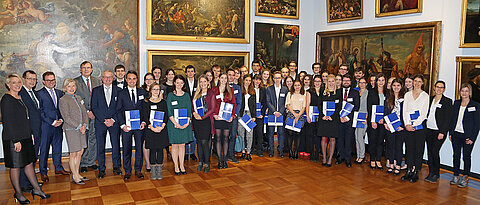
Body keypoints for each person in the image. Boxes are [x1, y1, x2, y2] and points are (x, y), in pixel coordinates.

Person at [2, 74, 51, 204]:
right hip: (14, 139)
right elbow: (8, 122)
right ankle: (18, 193)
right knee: (16, 167)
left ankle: (36, 189)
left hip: (26, 136)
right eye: (14, 83)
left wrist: (30, 134)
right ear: (8, 85)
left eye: (18, 82)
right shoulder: (6, 99)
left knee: (29, 164)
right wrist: (16, 140)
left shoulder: (19, 97)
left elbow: (26, 119)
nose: (17, 85)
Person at [37, 71, 69, 182]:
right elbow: (40, 112)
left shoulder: (60, 93)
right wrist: (52, 122)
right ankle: (43, 172)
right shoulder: (39, 94)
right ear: (44, 82)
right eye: (49, 80)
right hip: (46, 126)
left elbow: (62, 108)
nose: (51, 82)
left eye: (53, 80)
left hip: (58, 126)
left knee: (57, 148)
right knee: (44, 150)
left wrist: (61, 119)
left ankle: (58, 168)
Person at [91, 70, 123, 178]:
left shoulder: (119, 91)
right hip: (100, 123)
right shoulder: (96, 91)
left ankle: (116, 167)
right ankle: (101, 168)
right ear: (102, 79)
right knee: (100, 146)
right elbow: (94, 107)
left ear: (112, 78)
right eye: (105, 77)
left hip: (114, 123)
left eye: (110, 77)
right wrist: (104, 119)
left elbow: (120, 108)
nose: (108, 79)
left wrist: (113, 120)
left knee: (116, 145)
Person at [449, 83, 480, 188]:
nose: (464, 93)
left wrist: (472, 138)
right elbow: (452, 119)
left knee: (466, 157)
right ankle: (456, 175)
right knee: (456, 155)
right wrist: (451, 132)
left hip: (467, 136)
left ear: (469, 92)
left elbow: (477, 124)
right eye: (462, 91)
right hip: (456, 134)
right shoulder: (456, 103)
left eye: (466, 91)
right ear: (460, 92)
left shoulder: (475, 105)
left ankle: (465, 177)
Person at [117, 70, 147, 180]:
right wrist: (122, 125)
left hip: (139, 126)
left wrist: (144, 122)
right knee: (126, 149)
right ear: (126, 80)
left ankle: (138, 170)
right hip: (127, 127)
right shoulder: (121, 94)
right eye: (129, 79)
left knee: (139, 148)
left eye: (134, 79)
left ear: (137, 80)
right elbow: (118, 111)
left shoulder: (142, 92)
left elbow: (145, 109)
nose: (132, 81)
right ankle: (128, 171)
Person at [58, 79, 89, 185]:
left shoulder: (78, 97)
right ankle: (75, 176)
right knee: (73, 153)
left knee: (80, 152)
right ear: (65, 88)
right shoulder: (63, 99)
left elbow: (84, 113)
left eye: (73, 86)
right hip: (71, 130)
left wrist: (85, 125)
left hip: (82, 129)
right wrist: (79, 126)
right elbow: (66, 117)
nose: (72, 88)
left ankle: (78, 173)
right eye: (69, 86)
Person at [74, 61, 101, 173]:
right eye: (83, 68)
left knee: (93, 138)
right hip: (83, 115)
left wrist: (95, 111)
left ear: (91, 69)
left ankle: (91, 161)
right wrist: (87, 111)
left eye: (88, 68)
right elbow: (75, 99)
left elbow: (99, 97)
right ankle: (83, 162)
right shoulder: (76, 81)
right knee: (83, 139)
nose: (86, 70)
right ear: (80, 70)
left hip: (95, 115)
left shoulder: (96, 81)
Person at [401, 74, 429, 183]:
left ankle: (416, 171)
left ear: (422, 83)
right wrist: (407, 124)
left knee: (418, 149)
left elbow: (423, 113)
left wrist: (414, 124)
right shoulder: (407, 95)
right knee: (409, 148)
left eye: (419, 82)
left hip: (419, 127)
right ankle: (409, 170)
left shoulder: (425, 96)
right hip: (408, 127)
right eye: (415, 81)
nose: (416, 83)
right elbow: (405, 110)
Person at [18, 70, 42, 193]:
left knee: (33, 158)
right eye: (29, 79)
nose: (32, 81)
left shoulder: (35, 93)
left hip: (38, 131)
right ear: (24, 79)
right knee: (26, 159)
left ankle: (31, 181)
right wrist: (30, 132)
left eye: (34, 79)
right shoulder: (20, 94)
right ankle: (24, 184)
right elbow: (22, 116)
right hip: (28, 133)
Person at [425, 81, 452, 183]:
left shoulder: (447, 101)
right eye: (437, 87)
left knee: (435, 151)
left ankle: (436, 173)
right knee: (429, 151)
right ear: (434, 88)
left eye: (441, 87)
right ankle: (431, 172)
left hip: (439, 132)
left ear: (444, 89)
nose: (439, 89)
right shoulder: (429, 99)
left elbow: (447, 119)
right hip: (428, 130)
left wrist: (443, 132)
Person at [166, 75, 194, 175]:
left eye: (181, 83)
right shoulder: (170, 95)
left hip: (185, 125)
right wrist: (176, 123)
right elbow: (169, 111)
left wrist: (187, 122)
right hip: (173, 125)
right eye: (177, 82)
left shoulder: (186, 95)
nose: (179, 85)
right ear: (174, 83)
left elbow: (189, 110)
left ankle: (182, 165)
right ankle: (176, 166)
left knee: (182, 145)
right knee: (174, 145)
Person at [142, 83, 169, 180]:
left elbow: (166, 116)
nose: (156, 91)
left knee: (160, 150)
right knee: (152, 150)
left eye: (158, 89)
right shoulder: (146, 102)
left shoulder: (163, 102)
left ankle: (159, 170)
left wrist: (161, 126)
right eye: (154, 89)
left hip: (161, 130)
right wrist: (152, 127)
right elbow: (145, 116)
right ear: (150, 90)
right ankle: (153, 171)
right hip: (150, 130)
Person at [191, 75, 216, 173]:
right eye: (201, 82)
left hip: (206, 121)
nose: (203, 84)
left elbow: (212, 108)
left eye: (204, 81)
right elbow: (192, 107)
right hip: (196, 121)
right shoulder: (196, 93)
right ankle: (200, 161)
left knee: (205, 143)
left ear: (208, 82)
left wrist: (203, 116)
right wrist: (194, 113)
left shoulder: (211, 93)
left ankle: (207, 163)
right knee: (199, 142)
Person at [212, 73, 236, 168]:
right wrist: (214, 114)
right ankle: (219, 160)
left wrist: (232, 116)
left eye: (225, 78)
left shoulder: (230, 90)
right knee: (218, 138)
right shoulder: (214, 90)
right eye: (222, 78)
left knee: (226, 138)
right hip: (217, 118)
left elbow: (233, 103)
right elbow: (211, 103)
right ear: (219, 78)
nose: (223, 79)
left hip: (226, 118)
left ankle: (225, 160)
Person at [336, 74, 360, 167]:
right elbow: (336, 106)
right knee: (340, 139)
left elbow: (356, 107)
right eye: (344, 80)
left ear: (351, 82)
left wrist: (347, 117)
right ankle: (340, 156)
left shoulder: (355, 93)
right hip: (339, 120)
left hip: (349, 120)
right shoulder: (337, 92)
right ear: (342, 82)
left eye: (348, 81)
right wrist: (340, 116)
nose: (346, 82)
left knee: (349, 139)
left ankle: (347, 158)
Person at [383, 78, 406, 175]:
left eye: (398, 85)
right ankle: (391, 164)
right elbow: (385, 111)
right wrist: (385, 123)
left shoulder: (405, 98)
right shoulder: (389, 97)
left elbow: (406, 114)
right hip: (390, 126)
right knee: (390, 145)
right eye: (394, 85)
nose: (396, 87)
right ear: (391, 87)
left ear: (401, 87)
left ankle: (398, 166)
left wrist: (403, 126)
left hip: (400, 126)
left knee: (398, 146)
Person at [367, 73, 388, 170]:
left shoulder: (388, 93)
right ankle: (372, 159)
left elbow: (388, 108)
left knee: (380, 141)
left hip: (383, 121)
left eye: (382, 80)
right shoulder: (371, 92)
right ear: (376, 82)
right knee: (372, 141)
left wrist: (384, 119)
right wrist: (372, 121)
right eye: (379, 80)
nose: (381, 82)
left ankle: (378, 160)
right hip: (373, 121)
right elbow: (369, 107)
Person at [319, 74, 341, 167]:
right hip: (323, 119)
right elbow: (319, 105)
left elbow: (339, 107)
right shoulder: (322, 92)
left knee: (332, 139)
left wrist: (332, 116)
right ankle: (324, 157)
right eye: (329, 81)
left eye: (333, 81)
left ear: (335, 82)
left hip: (333, 119)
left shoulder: (338, 93)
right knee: (323, 138)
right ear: (326, 83)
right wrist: (323, 116)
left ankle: (330, 158)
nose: (331, 83)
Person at [266, 71, 289, 157]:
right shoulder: (269, 89)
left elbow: (286, 102)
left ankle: (281, 150)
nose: (277, 80)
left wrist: (280, 112)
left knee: (281, 132)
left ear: (281, 79)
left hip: (281, 114)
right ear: (273, 79)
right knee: (271, 132)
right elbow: (268, 101)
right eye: (275, 78)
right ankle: (271, 150)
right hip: (272, 114)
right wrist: (275, 111)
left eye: (279, 78)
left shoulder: (285, 89)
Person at [285, 79, 307, 159]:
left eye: (298, 85)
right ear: (293, 86)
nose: (297, 87)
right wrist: (294, 114)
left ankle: (296, 151)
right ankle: (290, 151)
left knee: (297, 134)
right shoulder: (289, 94)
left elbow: (304, 107)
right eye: (295, 85)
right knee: (290, 133)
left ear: (301, 86)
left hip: (300, 115)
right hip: (291, 113)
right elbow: (287, 105)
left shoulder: (303, 95)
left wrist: (298, 115)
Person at [238, 75, 256, 161]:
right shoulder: (239, 90)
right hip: (241, 114)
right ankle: (243, 151)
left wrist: (254, 116)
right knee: (241, 134)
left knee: (249, 134)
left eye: (249, 80)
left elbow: (254, 105)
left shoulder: (253, 91)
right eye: (246, 80)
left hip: (249, 114)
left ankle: (248, 152)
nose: (248, 82)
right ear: (243, 81)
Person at [227, 69, 242, 163]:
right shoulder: (222, 87)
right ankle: (224, 154)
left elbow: (239, 102)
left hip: (234, 116)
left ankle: (231, 155)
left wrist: (234, 114)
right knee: (224, 136)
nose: (231, 77)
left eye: (233, 75)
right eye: (229, 75)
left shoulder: (237, 87)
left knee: (233, 135)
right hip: (224, 116)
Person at [305, 75, 322, 161]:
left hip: (321, 117)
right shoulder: (309, 91)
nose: (317, 83)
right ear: (313, 82)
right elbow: (307, 104)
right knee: (311, 135)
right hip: (311, 116)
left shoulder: (324, 91)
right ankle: (312, 153)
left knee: (318, 135)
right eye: (316, 81)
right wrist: (307, 116)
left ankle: (317, 153)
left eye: (319, 81)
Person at [184, 65, 198, 161]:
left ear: (194, 72)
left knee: (194, 133)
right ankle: (185, 153)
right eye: (188, 71)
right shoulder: (183, 83)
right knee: (185, 132)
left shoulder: (198, 83)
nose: (190, 73)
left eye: (192, 71)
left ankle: (192, 152)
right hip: (185, 111)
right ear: (186, 73)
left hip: (196, 111)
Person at [354, 77, 368, 164]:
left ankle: (362, 156)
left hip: (364, 116)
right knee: (356, 136)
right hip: (356, 116)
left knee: (360, 137)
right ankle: (358, 155)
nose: (362, 84)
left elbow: (370, 106)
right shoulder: (356, 92)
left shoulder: (368, 93)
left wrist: (367, 117)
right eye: (360, 82)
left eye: (364, 83)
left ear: (366, 84)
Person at [253, 74, 267, 157]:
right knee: (252, 132)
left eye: (259, 80)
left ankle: (259, 149)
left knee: (260, 132)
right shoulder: (250, 89)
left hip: (260, 115)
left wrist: (262, 113)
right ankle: (252, 148)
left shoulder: (263, 90)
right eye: (256, 79)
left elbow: (265, 103)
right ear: (253, 80)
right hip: (252, 114)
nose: (257, 81)